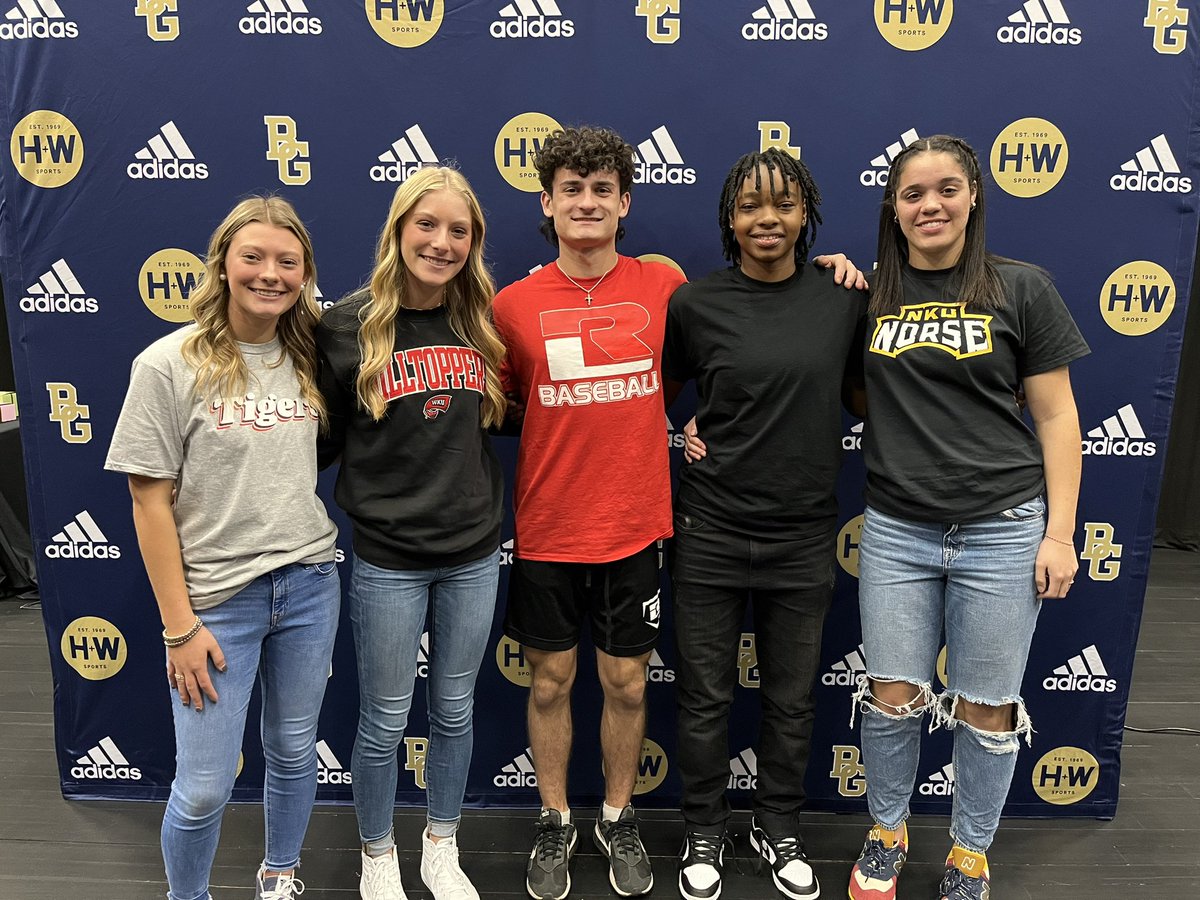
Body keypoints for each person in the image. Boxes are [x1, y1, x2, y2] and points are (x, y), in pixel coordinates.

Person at [493, 126, 863, 900]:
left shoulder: (669, 292)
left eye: (603, 189)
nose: (588, 202)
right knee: (552, 683)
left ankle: (620, 818)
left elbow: (731, 366)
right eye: (572, 189)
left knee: (629, 686)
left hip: (639, 526)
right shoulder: (510, 306)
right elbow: (491, 405)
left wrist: (836, 273)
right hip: (548, 529)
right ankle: (556, 821)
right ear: (547, 202)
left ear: (626, 202)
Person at [846, 135, 1086, 900]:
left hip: (1004, 527)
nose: (931, 206)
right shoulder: (871, 295)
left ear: (974, 196)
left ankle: (970, 852)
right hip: (896, 530)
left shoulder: (1021, 288)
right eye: (913, 194)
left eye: (947, 189)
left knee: (987, 708)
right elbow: (848, 390)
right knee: (892, 697)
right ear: (893, 206)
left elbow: (1056, 419)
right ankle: (886, 830)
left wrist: (1059, 535)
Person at [105, 196, 339, 900]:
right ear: (223, 265)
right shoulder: (167, 364)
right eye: (253, 257)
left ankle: (280, 875)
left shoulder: (312, 352)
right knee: (205, 786)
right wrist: (180, 627)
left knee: (294, 751)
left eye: (287, 262)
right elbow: (148, 502)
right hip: (215, 605)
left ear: (304, 274)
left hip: (308, 584)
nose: (270, 273)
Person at [663, 148, 867, 900]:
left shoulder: (843, 298)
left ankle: (778, 826)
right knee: (704, 696)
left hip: (804, 530)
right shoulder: (695, 304)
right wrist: (674, 436)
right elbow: (659, 394)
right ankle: (704, 830)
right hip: (711, 528)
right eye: (750, 206)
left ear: (806, 214)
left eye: (783, 205)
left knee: (791, 696)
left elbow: (867, 396)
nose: (767, 219)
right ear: (730, 218)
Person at [315, 165, 506, 900]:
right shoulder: (346, 324)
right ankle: (375, 854)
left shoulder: (482, 320)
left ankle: (440, 842)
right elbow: (315, 437)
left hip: (473, 553)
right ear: (398, 230)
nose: (442, 241)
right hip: (389, 558)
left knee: (454, 709)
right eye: (427, 224)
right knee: (385, 716)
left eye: (459, 230)